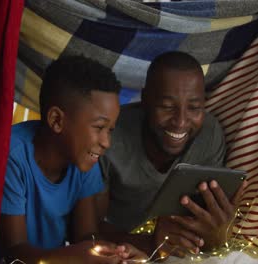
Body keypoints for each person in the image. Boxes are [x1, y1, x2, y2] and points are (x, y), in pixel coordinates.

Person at [0, 56, 147, 264]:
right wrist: (68, 259)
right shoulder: (13, 156)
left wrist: (113, 253)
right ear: (56, 120)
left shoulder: (83, 159)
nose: (106, 142)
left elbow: (85, 236)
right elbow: (14, 252)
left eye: (110, 130)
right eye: (99, 128)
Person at [98, 51, 247, 257]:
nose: (180, 122)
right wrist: (151, 243)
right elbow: (88, 232)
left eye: (194, 108)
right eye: (167, 107)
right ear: (145, 100)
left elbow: (207, 226)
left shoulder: (209, 136)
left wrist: (219, 232)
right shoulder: (110, 138)